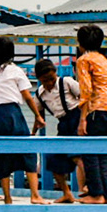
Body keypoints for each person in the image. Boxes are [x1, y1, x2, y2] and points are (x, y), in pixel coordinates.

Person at [0, 36, 50, 206]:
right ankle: (35, 195)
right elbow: (28, 97)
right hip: (13, 113)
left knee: (1, 155)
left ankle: (7, 198)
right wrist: (38, 116)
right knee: (27, 152)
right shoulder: (15, 70)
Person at [73, 25, 107, 204]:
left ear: (80, 43)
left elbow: (86, 90)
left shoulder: (84, 60)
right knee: (104, 152)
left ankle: (96, 194)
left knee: (90, 150)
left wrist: (82, 119)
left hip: (99, 108)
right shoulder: (103, 59)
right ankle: (106, 194)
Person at [33, 58, 82, 201]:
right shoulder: (39, 94)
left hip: (77, 118)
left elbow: (84, 98)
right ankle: (67, 193)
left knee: (78, 156)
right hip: (63, 124)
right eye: (45, 80)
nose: (49, 83)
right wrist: (33, 132)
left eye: (51, 79)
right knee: (53, 159)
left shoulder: (66, 82)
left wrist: (85, 121)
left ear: (55, 74)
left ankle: (86, 190)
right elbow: (38, 115)